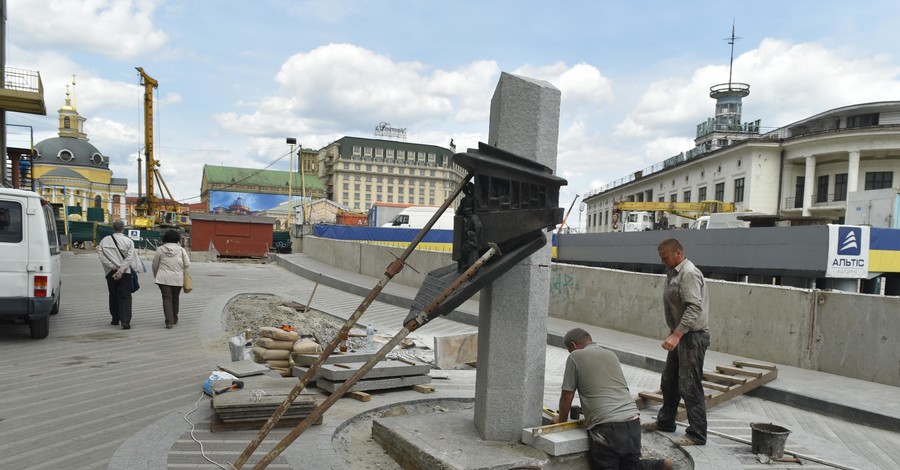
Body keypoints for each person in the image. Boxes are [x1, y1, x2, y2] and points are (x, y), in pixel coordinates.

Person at [552, 328, 672, 470]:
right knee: (630, 465)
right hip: (632, 420)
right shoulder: (611, 354)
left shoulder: (575, 356)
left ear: (573, 345)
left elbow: (567, 395)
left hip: (607, 428)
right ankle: (659, 466)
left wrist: (561, 421)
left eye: (569, 350)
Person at [642, 238, 710, 446]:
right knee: (669, 381)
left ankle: (697, 434)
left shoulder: (688, 274)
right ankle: (666, 422)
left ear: (678, 253)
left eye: (665, 257)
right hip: (681, 335)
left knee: (690, 385)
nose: (663, 261)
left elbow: (693, 308)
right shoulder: (673, 272)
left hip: (692, 338)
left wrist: (677, 334)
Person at [98, 219, 136, 329]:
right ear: (123, 228)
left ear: (113, 228)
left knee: (113, 294)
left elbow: (102, 257)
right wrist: (122, 268)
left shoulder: (104, 241)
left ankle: (115, 318)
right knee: (125, 295)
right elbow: (130, 257)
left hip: (110, 272)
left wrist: (114, 267)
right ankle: (125, 320)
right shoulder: (129, 241)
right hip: (125, 272)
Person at [152, 229, 190, 329]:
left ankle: (169, 322)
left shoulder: (160, 249)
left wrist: (156, 274)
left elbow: (155, 264)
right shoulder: (181, 250)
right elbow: (187, 264)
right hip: (177, 278)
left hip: (163, 278)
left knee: (166, 298)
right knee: (175, 297)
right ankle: (174, 318)